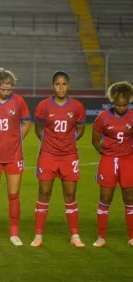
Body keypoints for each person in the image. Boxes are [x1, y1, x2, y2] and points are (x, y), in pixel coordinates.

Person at [31, 71, 86, 247]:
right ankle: (38, 236)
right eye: (57, 84)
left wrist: (68, 143)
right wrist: (50, 145)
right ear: (52, 86)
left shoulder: (77, 107)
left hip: (69, 157)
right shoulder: (44, 106)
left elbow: (81, 128)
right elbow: (38, 129)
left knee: (70, 195)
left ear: (68, 85)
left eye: (64, 84)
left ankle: (75, 236)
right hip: (48, 156)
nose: (60, 87)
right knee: (44, 194)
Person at [0, 68, 31, 247]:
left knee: (13, 195)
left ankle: (14, 234)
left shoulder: (18, 102)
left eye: (10, 89)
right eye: (3, 89)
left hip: (14, 156)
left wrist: (17, 139)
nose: (7, 92)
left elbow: (27, 123)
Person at [92, 81, 133, 247]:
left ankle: (131, 237)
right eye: (118, 104)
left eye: (124, 105)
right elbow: (95, 141)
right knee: (105, 199)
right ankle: (101, 237)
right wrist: (106, 154)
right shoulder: (103, 117)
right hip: (108, 161)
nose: (121, 108)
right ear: (112, 101)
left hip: (128, 161)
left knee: (130, 199)